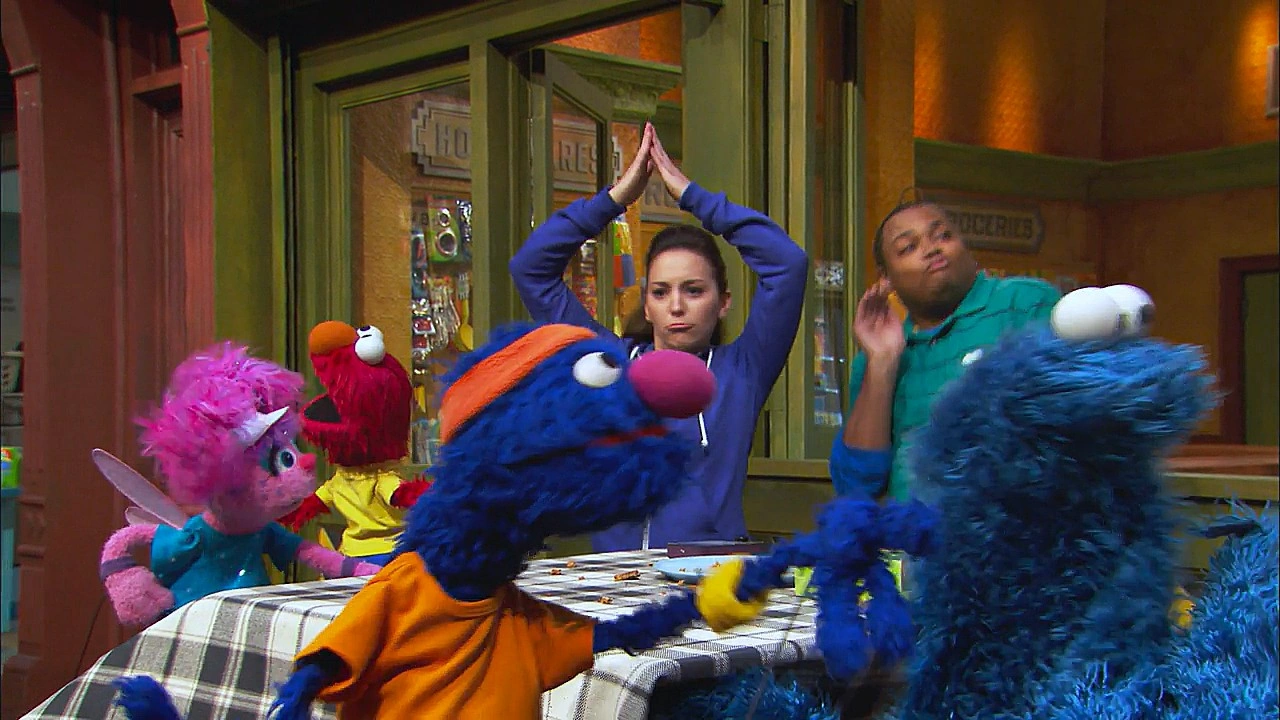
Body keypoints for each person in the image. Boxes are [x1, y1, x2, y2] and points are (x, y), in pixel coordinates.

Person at [510, 122, 809, 552]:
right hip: (617, 575)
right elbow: (531, 269)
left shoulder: (743, 370)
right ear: (647, 305)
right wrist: (616, 199)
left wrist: (690, 195)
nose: (676, 306)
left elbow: (787, 264)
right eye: (661, 292)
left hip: (709, 573)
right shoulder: (608, 363)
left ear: (722, 302)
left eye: (694, 290)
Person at [830, 200, 1061, 502]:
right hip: (913, 528)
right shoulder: (878, 357)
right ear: (886, 278)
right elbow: (856, 486)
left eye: (943, 236)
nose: (932, 249)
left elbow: (1063, 428)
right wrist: (882, 362)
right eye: (908, 248)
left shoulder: (1025, 302)